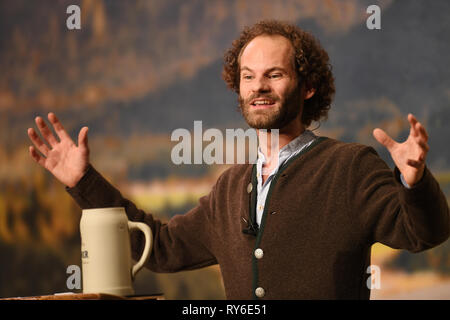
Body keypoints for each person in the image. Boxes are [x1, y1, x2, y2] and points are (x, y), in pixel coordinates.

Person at [27, 20, 449, 299]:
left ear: (307, 88)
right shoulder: (230, 187)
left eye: (274, 74)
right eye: (248, 76)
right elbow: (158, 248)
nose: (258, 87)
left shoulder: (350, 167)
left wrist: (414, 182)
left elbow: (423, 234)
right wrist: (84, 181)